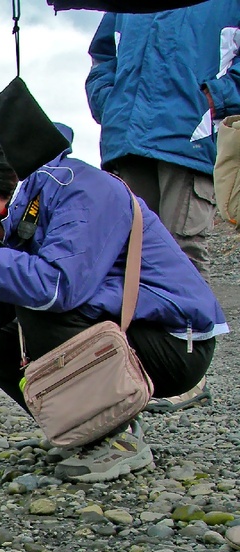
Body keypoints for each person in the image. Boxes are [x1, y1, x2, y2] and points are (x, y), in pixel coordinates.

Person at [0, 124, 228, 483]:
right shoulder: (16, 217)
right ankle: (84, 429)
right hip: (126, 334)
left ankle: (118, 439)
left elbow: (58, 285)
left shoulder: (81, 188)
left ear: (9, 176)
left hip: (176, 343)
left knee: (42, 304)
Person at [85, 2, 240, 409]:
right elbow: (103, 54)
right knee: (122, 258)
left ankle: (190, 375)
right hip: (126, 140)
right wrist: (109, 101)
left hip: (189, 139)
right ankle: (134, 369)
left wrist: (214, 98)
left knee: (183, 252)